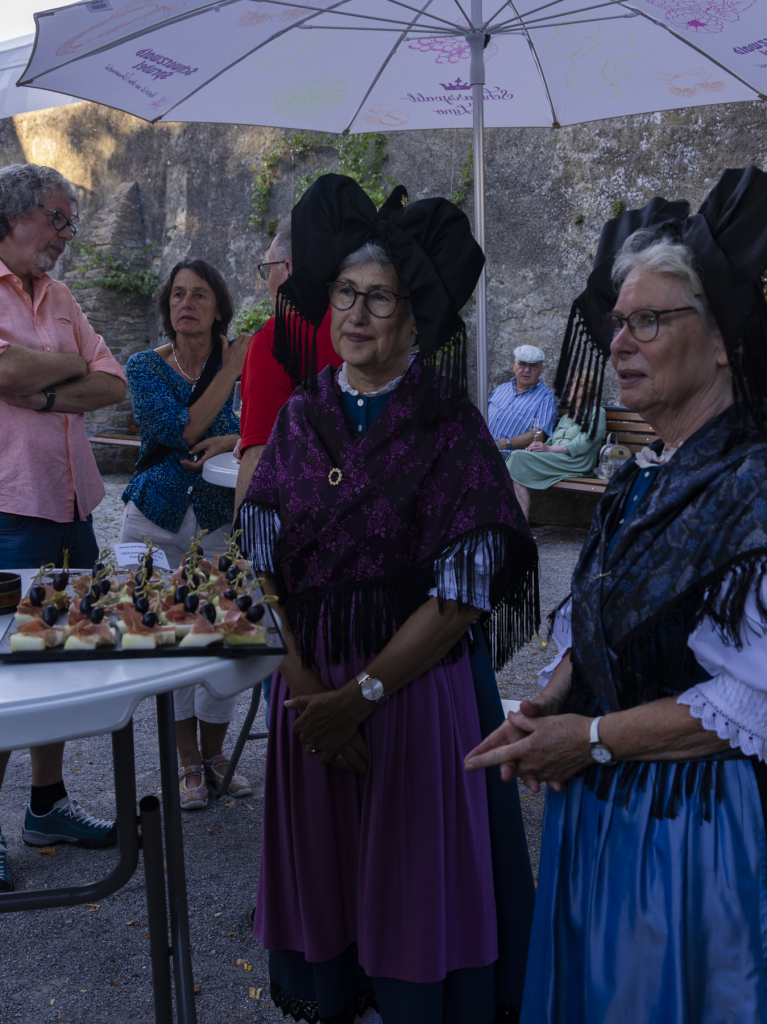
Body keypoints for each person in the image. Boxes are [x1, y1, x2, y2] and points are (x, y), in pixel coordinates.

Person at [465, 166, 767, 1024]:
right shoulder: (639, 477)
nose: (621, 343)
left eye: (649, 321)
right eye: (617, 323)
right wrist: (551, 700)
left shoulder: (750, 487)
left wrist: (590, 737)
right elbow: (598, 610)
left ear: (719, 341)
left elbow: (750, 696)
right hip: (599, 808)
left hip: (689, 829)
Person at [237, 175, 539, 1024]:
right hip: (309, 695)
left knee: (412, 876)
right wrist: (304, 693)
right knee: (327, 874)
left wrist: (361, 696)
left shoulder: (449, 420)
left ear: (414, 320)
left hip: (409, 695)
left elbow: (468, 588)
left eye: (381, 299)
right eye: (346, 294)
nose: (358, 315)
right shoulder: (302, 418)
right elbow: (260, 557)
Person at [0, 162, 127, 889]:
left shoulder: (62, 295)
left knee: (57, 665)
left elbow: (111, 382)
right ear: (15, 213)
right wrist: (63, 368)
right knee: (3, 672)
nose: (67, 233)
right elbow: (5, 375)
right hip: (10, 508)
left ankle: (46, 805)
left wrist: (48, 383)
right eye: (58, 217)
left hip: (74, 507)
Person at [120, 256, 252, 809]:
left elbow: (270, 424)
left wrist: (232, 440)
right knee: (166, 636)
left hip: (221, 515)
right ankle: (188, 763)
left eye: (200, 295)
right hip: (156, 516)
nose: (186, 304)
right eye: (178, 294)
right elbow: (183, 430)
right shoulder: (144, 367)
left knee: (220, 637)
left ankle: (217, 753)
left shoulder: (247, 363)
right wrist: (230, 372)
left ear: (219, 307)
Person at [234, 219, 341, 516]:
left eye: (268, 271)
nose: (267, 283)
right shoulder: (361, 331)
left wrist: (239, 553)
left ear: (289, 268)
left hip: (299, 517)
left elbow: (258, 458)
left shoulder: (274, 336)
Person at [505, 377, 606, 518]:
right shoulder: (566, 418)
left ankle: (519, 524)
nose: (566, 389)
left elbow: (583, 444)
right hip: (555, 459)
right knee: (516, 460)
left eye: (571, 385)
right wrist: (536, 449)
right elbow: (551, 442)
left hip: (577, 462)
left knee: (516, 458)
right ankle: (521, 523)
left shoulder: (597, 413)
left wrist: (549, 450)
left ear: (583, 389)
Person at [488, 344, 558, 453]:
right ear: (514, 366)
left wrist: (502, 444)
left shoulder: (546, 398)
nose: (526, 370)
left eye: (533, 366)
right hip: (481, 448)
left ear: (541, 369)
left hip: (508, 456)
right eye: (522, 364)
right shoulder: (501, 388)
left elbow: (538, 436)